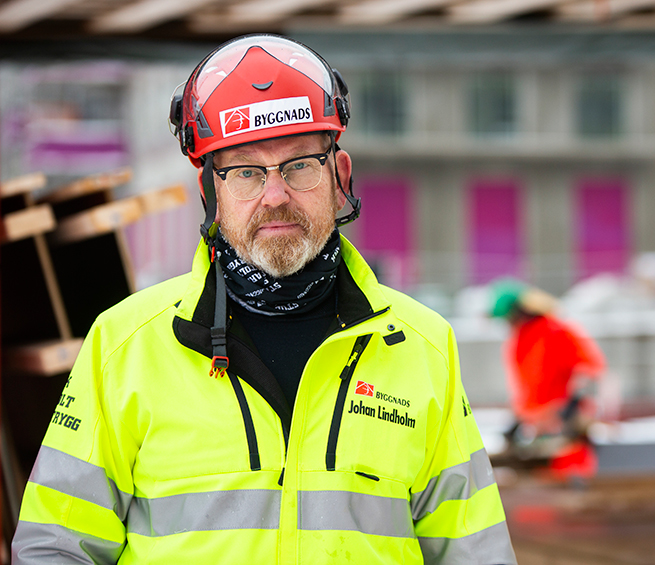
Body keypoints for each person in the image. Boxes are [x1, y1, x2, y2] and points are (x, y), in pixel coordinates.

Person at [12, 34, 516, 565]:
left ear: (339, 177)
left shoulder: (423, 348)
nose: (275, 196)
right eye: (245, 172)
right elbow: (54, 547)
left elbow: (475, 554)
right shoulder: (124, 347)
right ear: (210, 191)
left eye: (300, 165)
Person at [490, 279, 606, 480]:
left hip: (564, 431)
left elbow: (590, 372)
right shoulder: (519, 340)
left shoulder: (556, 331)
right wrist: (521, 420)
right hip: (537, 430)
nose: (509, 324)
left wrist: (568, 410)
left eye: (509, 318)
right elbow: (526, 389)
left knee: (569, 481)